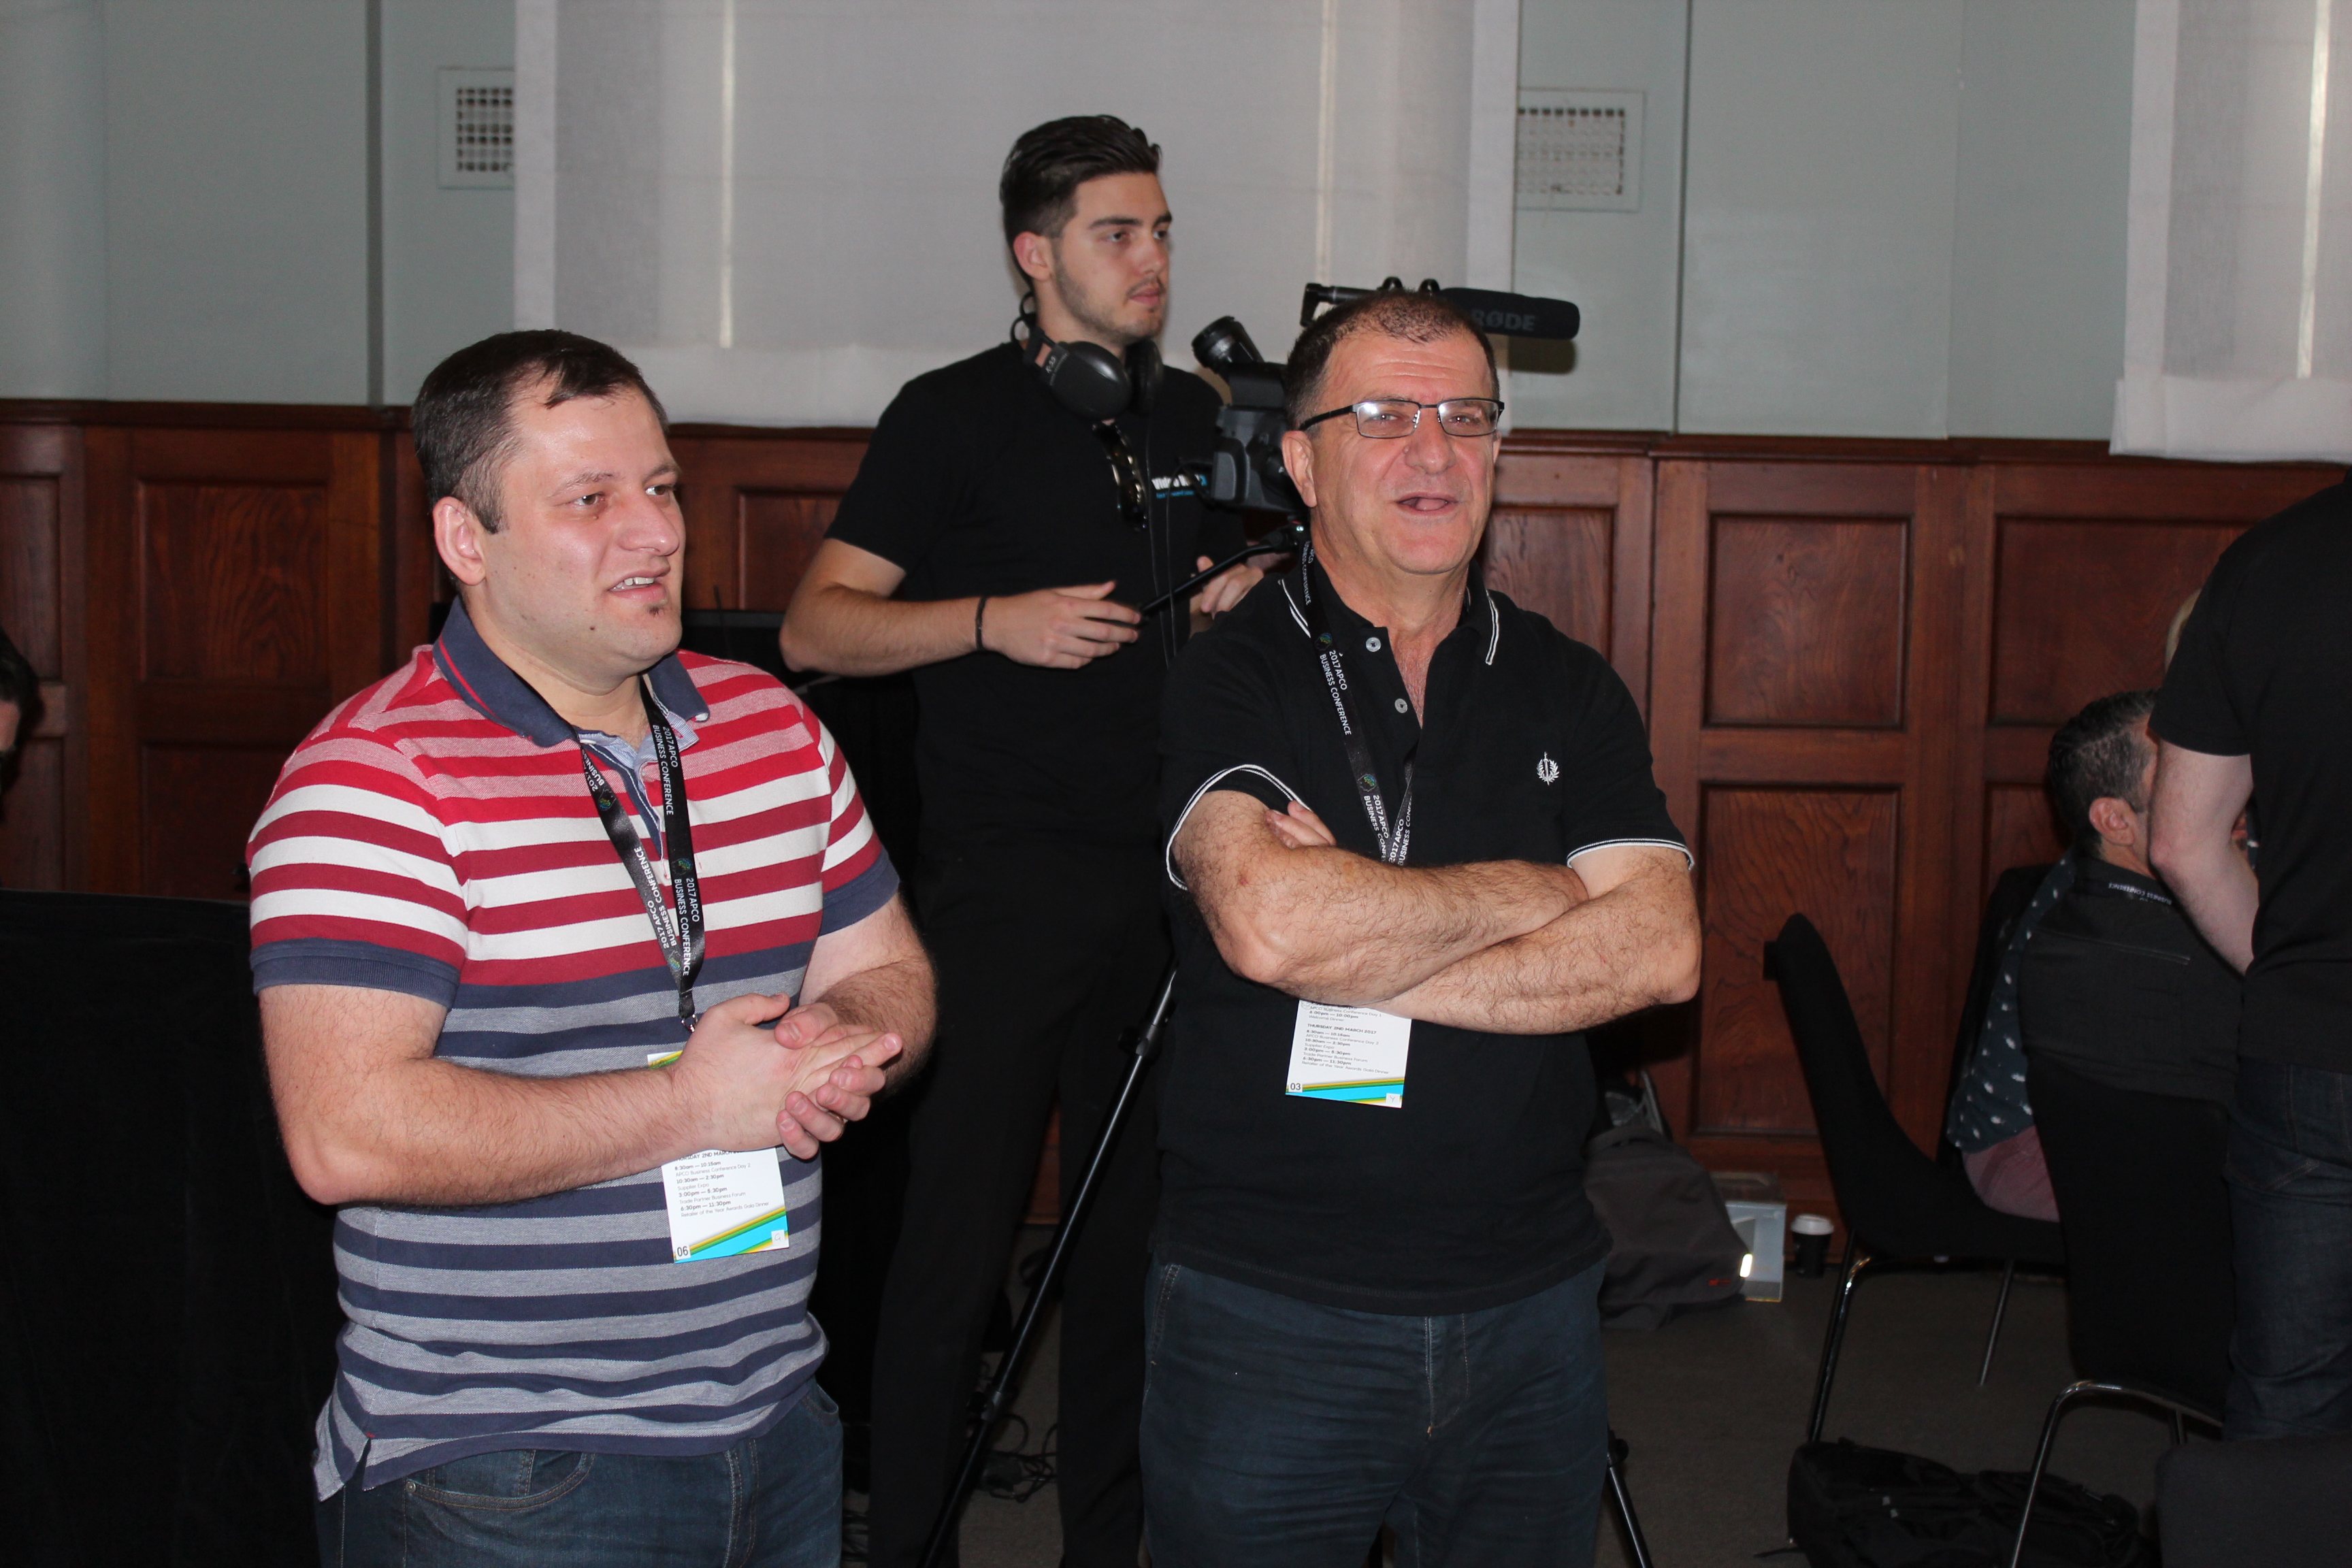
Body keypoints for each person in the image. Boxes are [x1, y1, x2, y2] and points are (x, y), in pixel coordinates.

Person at [250, 329, 935, 1567]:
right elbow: (344, 1132)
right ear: (466, 539)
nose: (656, 531)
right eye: (590, 498)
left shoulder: (772, 726)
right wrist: (694, 1106)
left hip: (777, 1418)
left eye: (661, 486)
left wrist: (832, 1041)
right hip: (504, 1465)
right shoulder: (375, 779)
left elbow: (890, 972)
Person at [1147, 288, 1701, 1566]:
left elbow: (1661, 952)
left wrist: (1364, 939)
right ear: (1301, 462)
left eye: (1466, 415)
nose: (1435, 451)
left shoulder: (1568, 682)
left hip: (1532, 1298)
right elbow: (1273, 926)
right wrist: (1540, 891)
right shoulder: (1232, 671)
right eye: (1386, 417)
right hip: (1271, 1305)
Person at [776, 114, 1260, 1568]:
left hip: (1169, 891)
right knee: (952, 1253)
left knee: (1131, 1263)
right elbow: (816, 627)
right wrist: (993, 621)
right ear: (1034, 254)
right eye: (1119, 233)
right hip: (1001, 893)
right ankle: (908, 1542)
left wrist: (1245, 605)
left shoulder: (1197, 420)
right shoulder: (951, 415)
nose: (1152, 258)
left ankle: (1104, 1546)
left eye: (1162, 230)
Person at [2151, 474, 2352, 1439]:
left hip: (2310, 1048)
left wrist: (2290, 968)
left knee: (2288, 1396)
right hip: (2304, 1030)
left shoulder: (2268, 561)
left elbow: (2182, 842)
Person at [2017, 691, 2238, 1108]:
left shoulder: (2051, 935)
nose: (2229, 798)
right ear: (2116, 821)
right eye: (2184, 780)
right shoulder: (2207, 964)